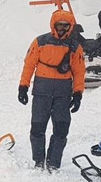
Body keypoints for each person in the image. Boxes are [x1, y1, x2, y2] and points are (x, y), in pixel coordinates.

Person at [19, 9, 86, 171]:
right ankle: (39, 160)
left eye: (66, 26)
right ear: (53, 25)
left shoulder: (75, 47)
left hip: (63, 94)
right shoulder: (40, 42)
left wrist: (78, 93)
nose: (62, 29)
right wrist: (23, 86)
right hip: (42, 92)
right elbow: (29, 65)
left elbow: (79, 71)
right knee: (37, 128)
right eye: (59, 25)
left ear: (70, 27)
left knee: (61, 129)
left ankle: (54, 161)